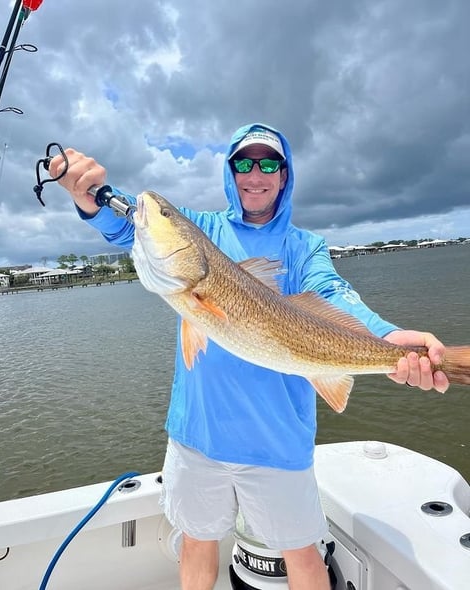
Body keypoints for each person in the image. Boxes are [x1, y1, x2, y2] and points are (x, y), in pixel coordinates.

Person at [50, 123, 449, 590]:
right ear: (229, 172)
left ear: (285, 175)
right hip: (198, 433)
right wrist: (89, 193)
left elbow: (333, 294)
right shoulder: (203, 230)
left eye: (268, 163)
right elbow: (125, 227)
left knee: (302, 555)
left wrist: (389, 337)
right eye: (243, 162)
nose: (255, 173)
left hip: (277, 442)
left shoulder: (305, 247)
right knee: (197, 544)